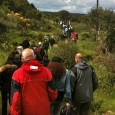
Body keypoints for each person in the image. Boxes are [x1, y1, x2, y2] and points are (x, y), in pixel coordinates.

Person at [10, 48, 58, 115]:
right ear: (34, 57)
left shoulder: (17, 74)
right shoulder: (47, 72)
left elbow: (15, 99)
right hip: (44, 110)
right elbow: (53, 94)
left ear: (22, 59)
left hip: (26, 111)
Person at [0, 51, 22, 115]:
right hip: (12, 87)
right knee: (12, 101)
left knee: (4, 102)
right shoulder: (17, 66)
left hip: (4, 86)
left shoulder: (5, 65)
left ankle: (4, 113)